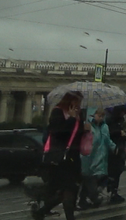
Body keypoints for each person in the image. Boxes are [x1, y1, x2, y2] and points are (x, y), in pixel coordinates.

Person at [32, 92, 84, 220]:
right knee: (68, 190)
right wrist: (71, 119)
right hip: (59, 159)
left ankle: (41, 211)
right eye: (76, 101)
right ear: (69, 100)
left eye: (79, 102)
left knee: (66, 191)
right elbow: (58, 133)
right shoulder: (57, 112)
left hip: (73, 159)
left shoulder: (79, 115)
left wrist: (84, 127)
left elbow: (77, 137)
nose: (78, 104)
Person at [78, 108, 116, 210]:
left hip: (101, 157)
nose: (101, 118)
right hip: (89, 157)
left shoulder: (104, 127)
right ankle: (93, 198)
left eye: (102, 116)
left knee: (91, 179)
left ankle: (83, 200)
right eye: (99, 115)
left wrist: (114, 148)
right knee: (89, 178)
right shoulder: (88, 126)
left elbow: (107, 140)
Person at [104, 106, 126, 203]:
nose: (123, 114)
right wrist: (119, 132)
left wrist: (124, 135)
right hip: (113, 149)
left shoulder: (121, 121)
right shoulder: (110, 121)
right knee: (112, 171)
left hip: (120, 148)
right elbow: (108, 134)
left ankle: (113, 191)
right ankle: (110, 190)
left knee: (118, 171)